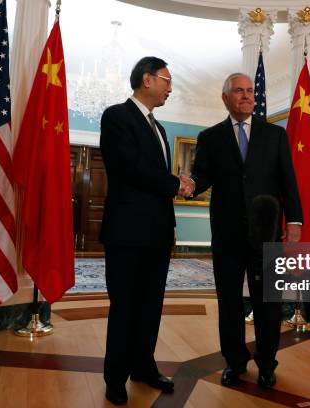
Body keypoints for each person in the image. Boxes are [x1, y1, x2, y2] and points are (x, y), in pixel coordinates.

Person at [186, 72, 303, 389]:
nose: (247, 95)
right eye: (239, 91)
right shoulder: (210, 137)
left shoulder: (274, 135)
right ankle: (235, 362)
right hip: (226, 234)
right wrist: (189, 185)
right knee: (229, 303)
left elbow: (287, 180)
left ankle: (267, 364)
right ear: (225, 98)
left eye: (250, 90)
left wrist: (294, 221)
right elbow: (202, 177)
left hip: (266, 234)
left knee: (268, 301)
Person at [99, 56, 194, 405]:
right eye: (167, 80)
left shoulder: (160, 128)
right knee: (124, 306)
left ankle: (143, 367)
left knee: (151, 306)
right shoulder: (116, 117)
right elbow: (129, 168)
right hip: (126, 232)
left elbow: (152, 176)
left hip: (156, 233)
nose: (170, 87)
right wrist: (175, 184)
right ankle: (115, 378)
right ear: (146, 79)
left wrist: (175, 187)